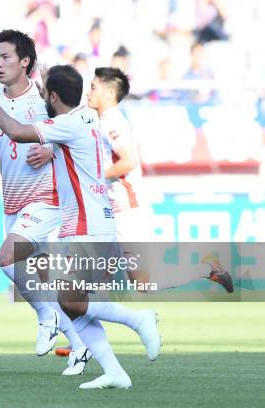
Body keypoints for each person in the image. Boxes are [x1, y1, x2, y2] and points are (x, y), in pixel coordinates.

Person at [0, 65, 160, 389]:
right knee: (69, 301)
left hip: (87, 224)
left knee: (69, 299)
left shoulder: (67, 124)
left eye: (46, 92)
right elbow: (63, 105)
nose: (42, 96)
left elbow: (17, 132)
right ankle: (114, 371)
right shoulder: (87, 116)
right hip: (92, 221)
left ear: (54, 96)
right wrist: (51, 81)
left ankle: (137, 320)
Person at [0, 30, 89, 374]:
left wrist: (51, 147)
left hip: (46, 199)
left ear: (25, 61)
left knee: (6, 258)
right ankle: (81, 347)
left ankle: (44, 315)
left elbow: (74, 133)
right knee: (34, 278)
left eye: (6, 57)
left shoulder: (43, 101)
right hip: (12, 202)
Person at [87, 66, 233, 292]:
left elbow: (129, 161)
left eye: (94, 87)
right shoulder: (103, 120)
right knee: (97, 281)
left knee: (141, 284)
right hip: (112, 211)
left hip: (127, 214)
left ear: (108, 93)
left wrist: (92, 176)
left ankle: (207, 270)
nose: (89, 92)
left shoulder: (112, 122)